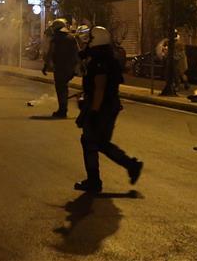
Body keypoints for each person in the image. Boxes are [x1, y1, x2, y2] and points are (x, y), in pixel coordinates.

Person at [74, 25, 143, 193]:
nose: (87, 42)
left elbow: (100, 88)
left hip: (102, 107)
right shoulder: (104, 57)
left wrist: (93, 113)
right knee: (100, 143)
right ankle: (131, 165)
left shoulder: (100, 61)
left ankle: (94, 181)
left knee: (90, 142)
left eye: (90, 39)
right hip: (108, 105)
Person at [43, 18, 80, 118]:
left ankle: (62, 110)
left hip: (60, 67)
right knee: (64, 87)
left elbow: (50, 53)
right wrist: (79, 67)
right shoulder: (71, 38)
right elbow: (78, 53)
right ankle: (63, 108)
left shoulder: (55, 39)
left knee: (61, 88)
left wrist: (46, 66)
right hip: (70, 67)